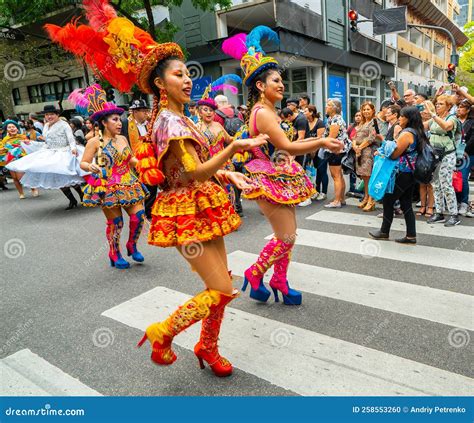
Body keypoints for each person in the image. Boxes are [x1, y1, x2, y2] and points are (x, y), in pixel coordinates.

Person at [222, 26, 342, 306]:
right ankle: (255, 273)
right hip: (265, 176)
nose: (281, 85)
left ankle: (280, 281)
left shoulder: (269, 112)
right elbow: (287, 147)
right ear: (261, 86)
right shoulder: (263, 113)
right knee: (286, 237)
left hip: (278, 174)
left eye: (282, 80)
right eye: (275, 80)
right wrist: (322, 142)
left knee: (285, 236)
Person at [74, 84, 149, 268]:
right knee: (116, 223)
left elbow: (130, 159)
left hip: (129, 183)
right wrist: (90, 166)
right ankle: (114, 253)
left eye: (119, 119)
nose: (118, 123)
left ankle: (132, 245)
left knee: (138, 217)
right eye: (115, 119)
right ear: (104, 122)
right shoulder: (93, 142)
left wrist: (146, 166)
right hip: (107, 186)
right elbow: (82, 162)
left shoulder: (123, 139)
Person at [6, 105, 87, 209]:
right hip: (51, 153)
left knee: (69, 178)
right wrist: (31, 144)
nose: (49, 116)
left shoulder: (64, 125)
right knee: (58, 180)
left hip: (64, 152)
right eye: (47, 114)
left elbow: (71, 139)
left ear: (57, 114)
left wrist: (73, 148)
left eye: (52, 114)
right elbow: (47, 142)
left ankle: (82, 195)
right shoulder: (46, 125)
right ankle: (72, 200)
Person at [369, 106, 427, 244]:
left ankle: (384, 231)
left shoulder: (407, 133)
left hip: (403, 173)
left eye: (401, 116)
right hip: (411, 172)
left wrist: (383, 139)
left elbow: (394, 153)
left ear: (408, 118)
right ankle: (411, 235)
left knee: (389, 200)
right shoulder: (418, 131)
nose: (399, 118)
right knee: (406, 203)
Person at [424, 95, 460, 226]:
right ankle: (439, 212)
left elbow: (446, 126)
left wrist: (433, 114)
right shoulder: (434, 119)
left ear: (448, 106)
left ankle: (454, 214)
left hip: (447, 154)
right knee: (435, 184)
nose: (437, 106)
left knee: (446, 184)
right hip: (434, 155)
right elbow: (422, 126)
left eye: (441, 104)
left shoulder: (452, 118)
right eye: (437, 104)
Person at [121, 98, 156, 220]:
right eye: (143, 111)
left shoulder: (150, 123)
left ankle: (149, 211)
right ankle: (138, 211)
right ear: (135, 112)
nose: (146, 113)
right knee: (138, 186)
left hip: (149, 159)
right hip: (133, 160)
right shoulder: (125, 123)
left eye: (146, 110)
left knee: (151, 184)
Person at [322, 98, 350, 208]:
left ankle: (337, 200)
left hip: (335, 150)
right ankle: (341, 199)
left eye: (328, 105)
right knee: (339, 176)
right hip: (337, 150)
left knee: (336, 176)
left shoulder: (335, 120)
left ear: (334, 108)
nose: (326, 107)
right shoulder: (334, 118)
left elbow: (331, 138)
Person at [0, 120, 39, 198]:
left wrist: (27, 142)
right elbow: (2, 150)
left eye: (13, 127)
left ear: (17, 129)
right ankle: (21, 193)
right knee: (15, 178)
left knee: (27, 174)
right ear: (7, 130)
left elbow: (29, 145)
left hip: (23, 158)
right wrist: (3, 149)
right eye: (9, 127)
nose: (12, 128)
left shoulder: (23, 136)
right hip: (11, 159)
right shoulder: (5, 139)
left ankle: (33, 188)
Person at [352, 102, 378, 211]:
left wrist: (359, 148)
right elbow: (354, 136)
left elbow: (371, 138)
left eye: (368, 109)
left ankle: (371, 201)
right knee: (365, 177)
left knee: (370, 176)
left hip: (368, 152)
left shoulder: (374, 122)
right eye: (364, 109)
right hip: (359, 152)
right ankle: (366, 197)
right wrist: (355, 147)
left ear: (372, 110)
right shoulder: (362, 122)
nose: (366, 111)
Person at [303, 105, 326, 201]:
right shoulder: (305, 122)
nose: (304, 113)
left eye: (305, 111)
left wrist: (314, 150)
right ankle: (315, 191)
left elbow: (320, 138)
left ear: (311, 112)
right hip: (308, 150)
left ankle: (323, 192)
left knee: (322, 171)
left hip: (319, 150)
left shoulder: (319, 123)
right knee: (311, 171)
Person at [456, 99, 473, 217]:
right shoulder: (454, 120)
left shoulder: (472, 122)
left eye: (461, 107)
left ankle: (464, 202)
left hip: (468, 153)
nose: (458, 109)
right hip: (452, 152)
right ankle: (456, 200)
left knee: (463, 177)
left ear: (468, 110)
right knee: (454, 177)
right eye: (458, 107)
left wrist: (464, 151)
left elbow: (473, 139)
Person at [346, 111, 364, 197]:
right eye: (356, 115)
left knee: (361, 172)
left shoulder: (365, 126)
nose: (358, 117)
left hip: (363, 152)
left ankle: (361, 190)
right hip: (352, 152)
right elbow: (347, 137)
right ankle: (352, 189)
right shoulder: (351, 127)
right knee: (352, 170)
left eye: (360, 116)